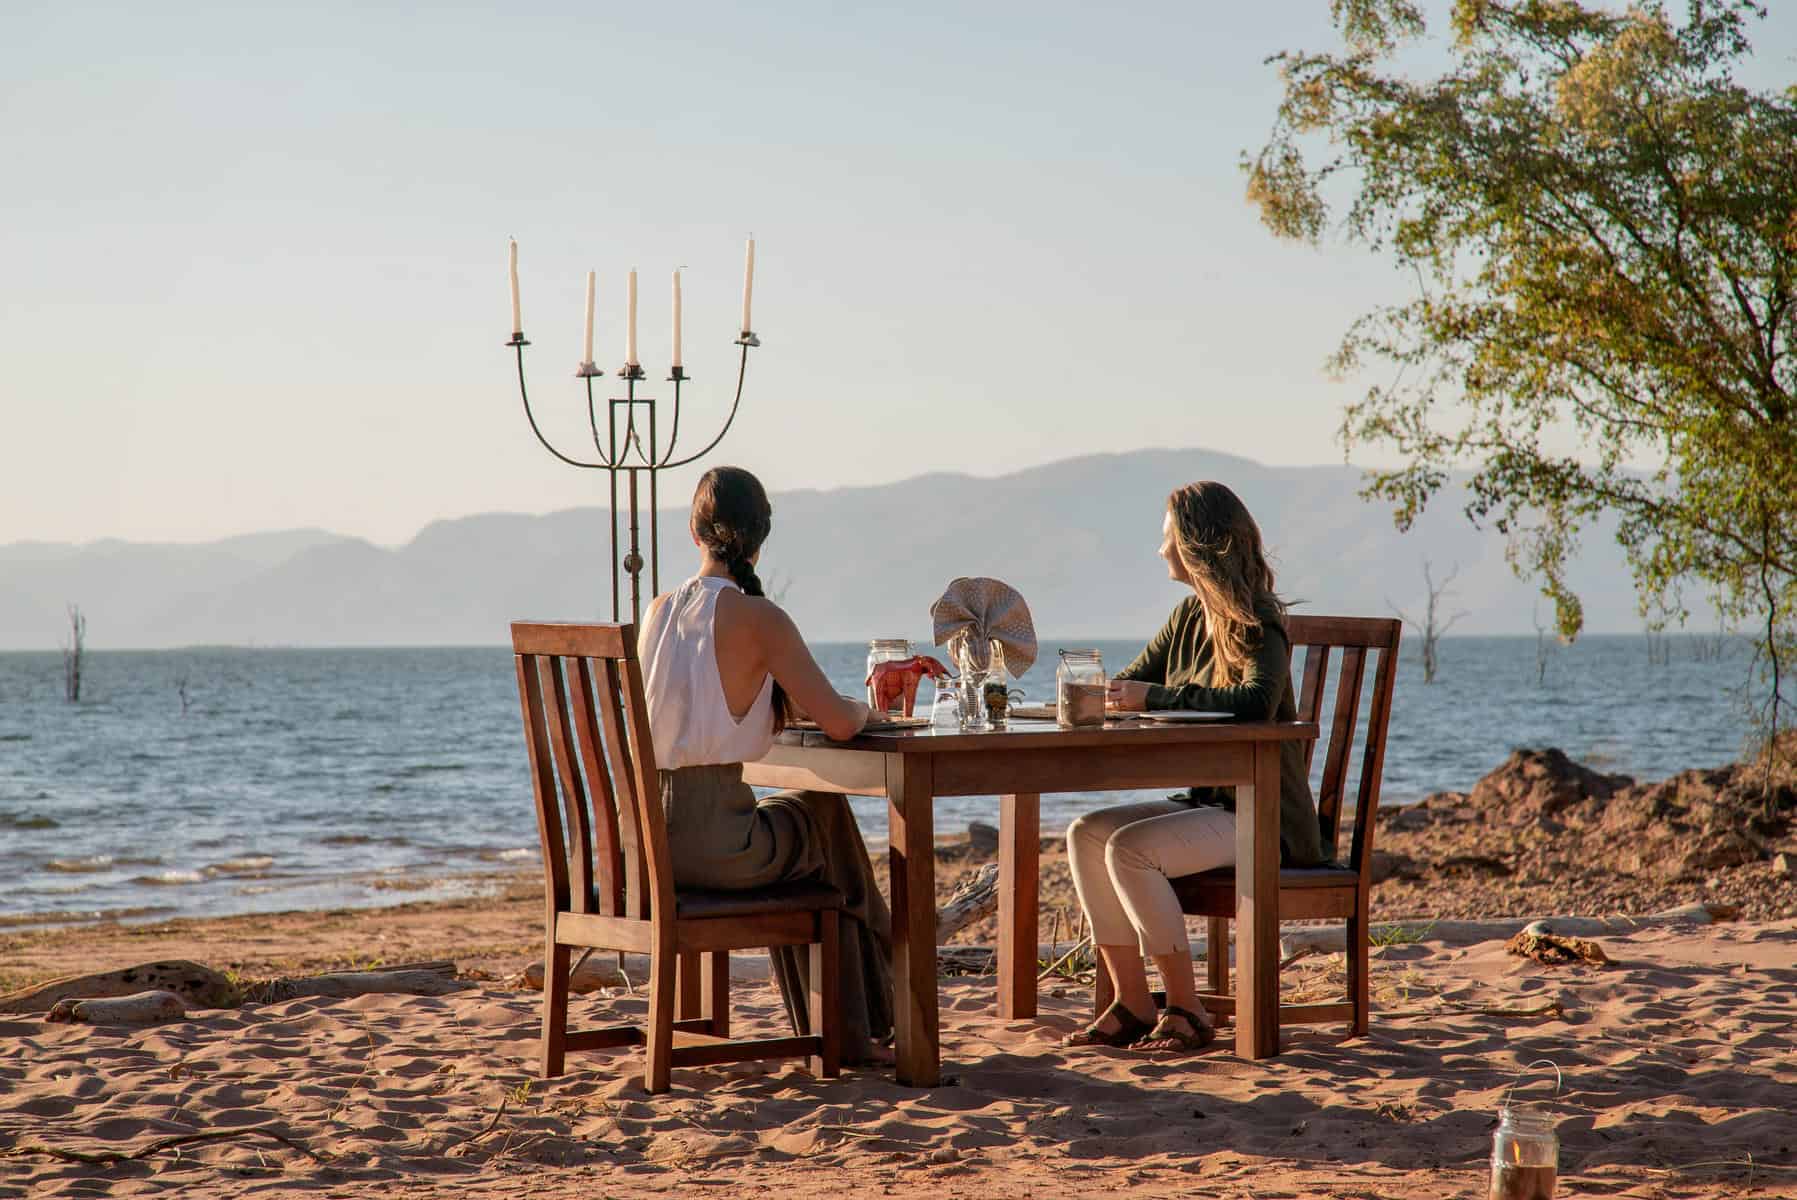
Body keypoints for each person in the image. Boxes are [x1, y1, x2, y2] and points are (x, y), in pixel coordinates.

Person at [638, 465, 894, 1065]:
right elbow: (838, 721)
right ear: (761, 539)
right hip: (716, 849)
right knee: (823, 817)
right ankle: (874, 1007)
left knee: (809, 824)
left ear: (694, 533)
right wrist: (868, 708)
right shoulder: (760, 618)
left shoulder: (656, 612)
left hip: (642, 848)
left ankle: (857, 1021)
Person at [1063, 481, 1325, 1053]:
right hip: (1212, 806)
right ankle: (1132, 1001)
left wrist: (1152, 699)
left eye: (1168, 539)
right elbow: (1130, 684)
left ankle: (1186, 1007)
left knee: (1128, 849)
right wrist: (1102, 696)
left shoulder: (1258, 620)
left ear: (1196, 545)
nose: (1160, 552)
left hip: (1263, 817)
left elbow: (1258, 700)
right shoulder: (1187, 617)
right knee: (1086, 833)